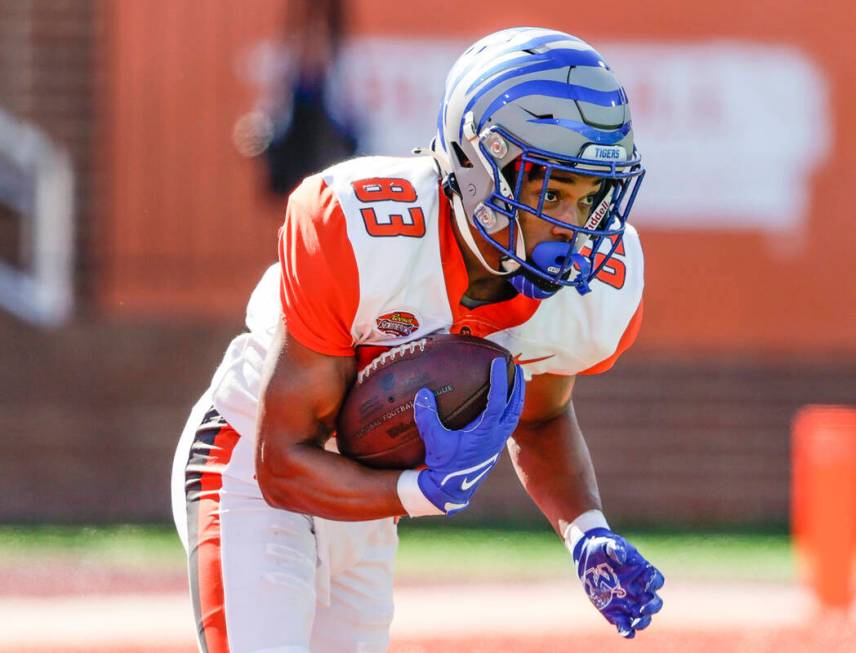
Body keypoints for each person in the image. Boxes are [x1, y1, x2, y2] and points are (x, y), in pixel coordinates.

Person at [171, 26, 664, 653]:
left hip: (366, 508)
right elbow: (280, 464)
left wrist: (586, 528)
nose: (572, 226)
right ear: (482, 168)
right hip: (252, 467)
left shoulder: (587, 294)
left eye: (589, 196)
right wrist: (421, 493)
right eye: (551, 192)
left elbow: (540, 418)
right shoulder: (356, 228)